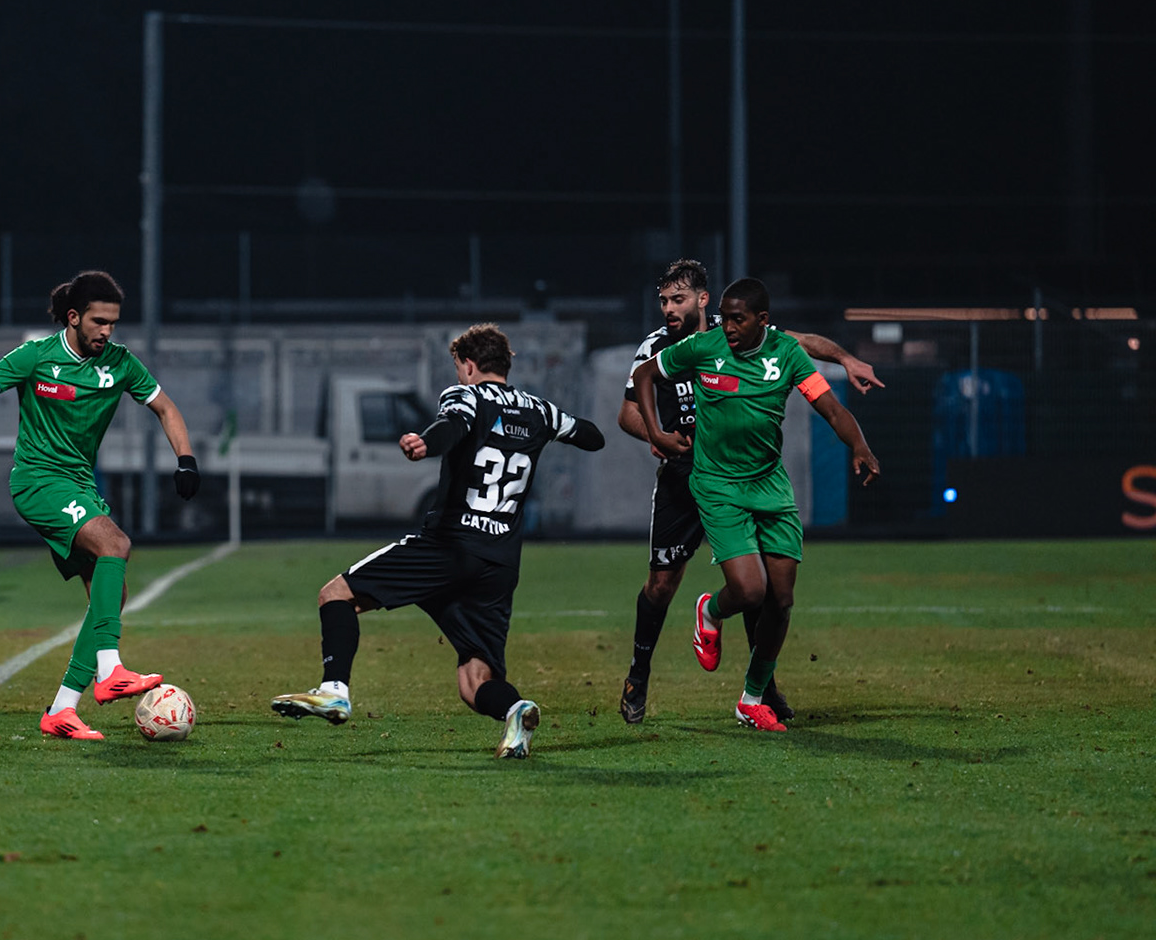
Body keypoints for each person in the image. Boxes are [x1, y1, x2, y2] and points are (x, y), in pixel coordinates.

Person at [271, 323, 606, 759]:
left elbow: (453, 426)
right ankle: (515, 711)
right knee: (474, 682)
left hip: (449, 547)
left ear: (469, 365)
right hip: (499, 563)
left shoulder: (466, 394)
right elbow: (592, 437)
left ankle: (334, 690)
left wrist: (424, 444)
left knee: (337, 594)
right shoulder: (539, 410)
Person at [616, 259, 884, 724]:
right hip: (687, 475)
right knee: (662, 584)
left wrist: (844, 358)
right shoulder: (659, 346)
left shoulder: (735, 326)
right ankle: (638, 676)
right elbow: (627, 414)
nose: (668, 309)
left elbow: (799, 343)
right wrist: (657, 435)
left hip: (751, 478)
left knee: (760, 588)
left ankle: (762, 688)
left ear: (703, 300)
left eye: (677, 299)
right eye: (663, 300)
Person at [0, 270, 198, 740]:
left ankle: (62, 710)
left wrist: (186, 460)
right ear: (73, 317)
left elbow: (166, 407)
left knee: (108, 597)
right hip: (38, 481)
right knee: (116, 543)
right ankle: (111, 670)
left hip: (79, 486)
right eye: (98, 322)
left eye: (113, 323)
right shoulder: (37, 356)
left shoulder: (120, 363)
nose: (106, 332)